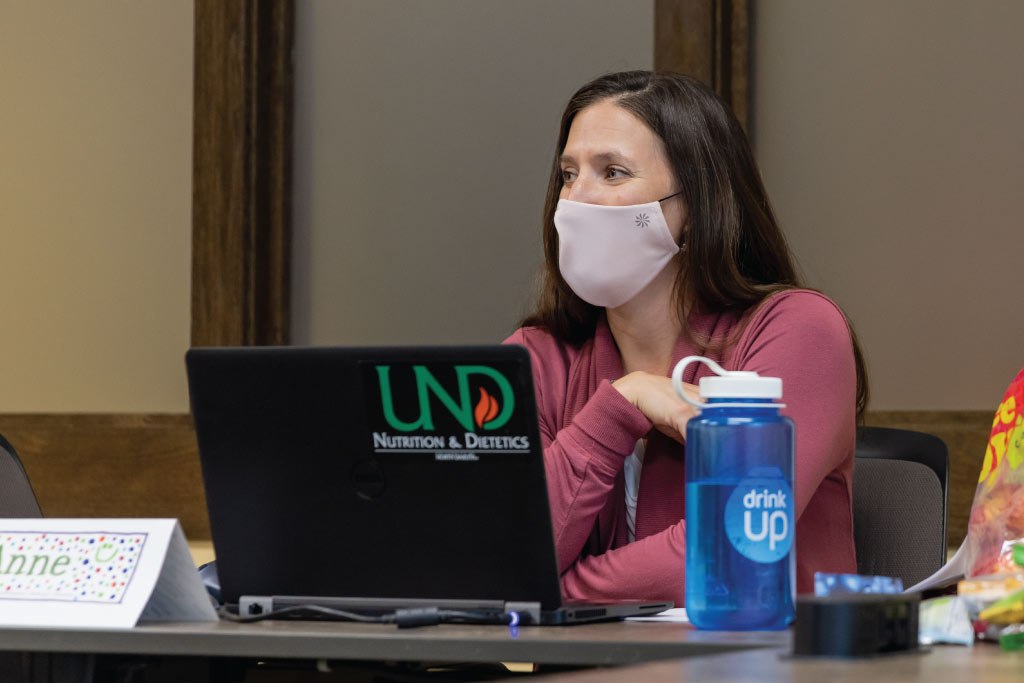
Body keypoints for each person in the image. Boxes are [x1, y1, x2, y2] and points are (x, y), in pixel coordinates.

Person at [504, 71, 867, 603]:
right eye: (567, 174)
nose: (576, 199)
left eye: (613, 172)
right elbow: (509, 553)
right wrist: (623, 402)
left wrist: (554, 594)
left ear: (693, 208)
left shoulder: (798, 330)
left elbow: (731, 552)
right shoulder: (535, 357)